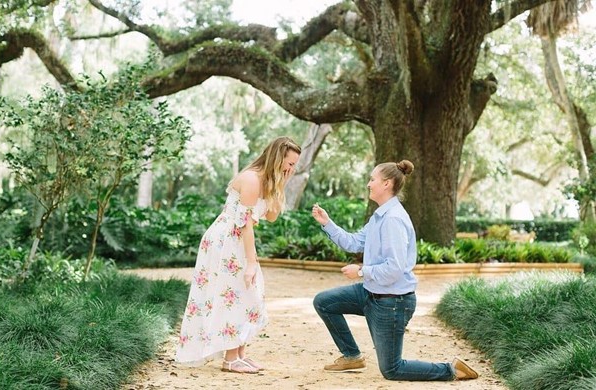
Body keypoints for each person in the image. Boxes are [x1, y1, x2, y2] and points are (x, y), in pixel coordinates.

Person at [311, 160, 479, 381]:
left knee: (392, 369)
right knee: (324, 302)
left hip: (392, 303)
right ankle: (352, 355)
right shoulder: (379, 216)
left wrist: (361, 271)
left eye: (373, 179)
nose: (369, 184)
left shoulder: (393, 220)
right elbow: (353, 243)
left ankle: (451, 369)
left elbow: (395, 268)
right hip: (370, 294)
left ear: (387, 183)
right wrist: (327, 223)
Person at [176, 136, 301, 374]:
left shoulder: (268, 181)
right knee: (235, 293)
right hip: (226, 242)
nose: (291, 169)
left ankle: (239, 353)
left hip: (237, 240)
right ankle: (230, 358)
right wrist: (251, 263)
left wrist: (282, 184)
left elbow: (271, 216)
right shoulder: (252, 179)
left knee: (248, 293)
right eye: (289, 163)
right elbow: (245, 223)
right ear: (277, 158)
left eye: (294, 165)